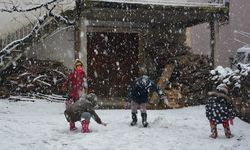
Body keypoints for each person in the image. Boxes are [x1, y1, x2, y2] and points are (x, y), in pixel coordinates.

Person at [63, 59, 87, 130]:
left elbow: (85, 83)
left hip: (80, 94)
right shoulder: (73, 74)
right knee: (71, 110)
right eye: (77, 66)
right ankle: (72, 124)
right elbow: (68, 80)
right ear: (75, 67)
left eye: (80, 66)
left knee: (82, 110)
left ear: (82, 67)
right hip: (73, 94)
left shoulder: (83, 74)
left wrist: (85, 88)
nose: (79, 67)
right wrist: (65, 85)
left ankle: (84, 126)